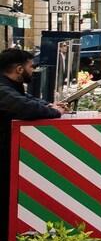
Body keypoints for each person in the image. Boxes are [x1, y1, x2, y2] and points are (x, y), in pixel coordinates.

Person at [0, 48, 61, 219]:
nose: (33, 70)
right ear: (19, 69)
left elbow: (27, 99)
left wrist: (48, 106)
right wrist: (55, 112)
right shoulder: (2, 88)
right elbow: (24, 107)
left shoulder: (9, 85)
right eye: (31, 67)